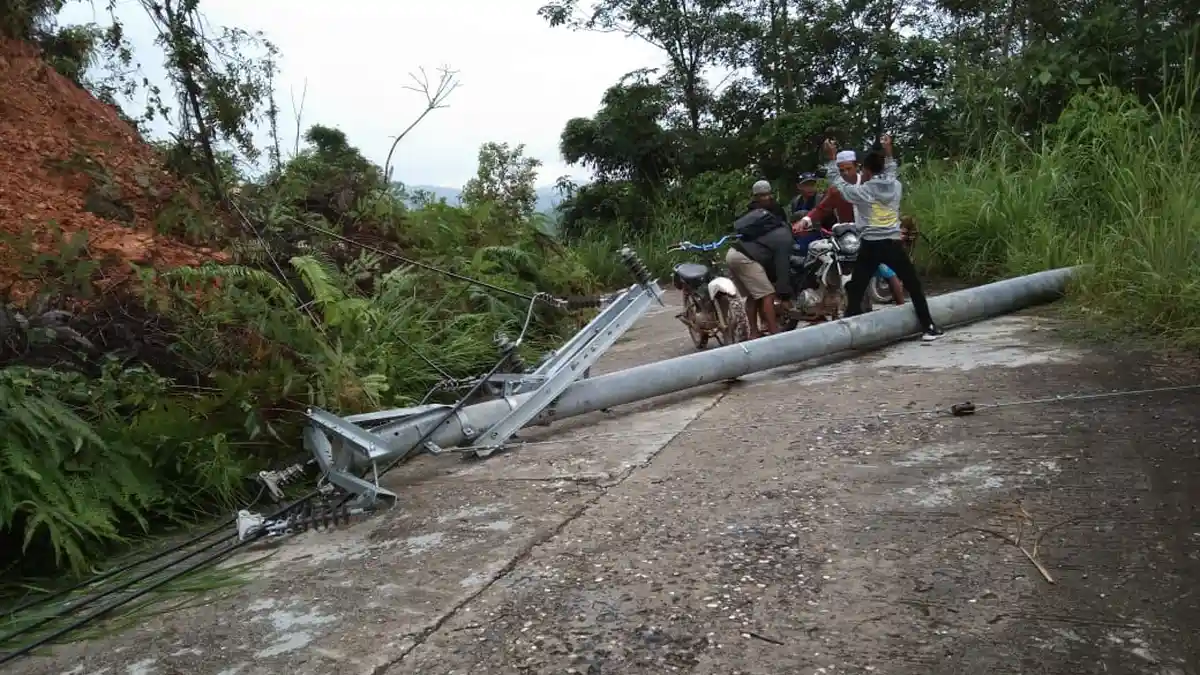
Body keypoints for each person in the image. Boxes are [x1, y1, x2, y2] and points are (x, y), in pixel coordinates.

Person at [820, 135, 944, 341]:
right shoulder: (896, 187)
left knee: (857, 288)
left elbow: (838, 183)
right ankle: (929, 327)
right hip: (893, 244)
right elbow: (891, 170)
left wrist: (832, 158)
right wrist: (889, 150)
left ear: (867, 171)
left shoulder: (861, 192)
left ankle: (848, 332)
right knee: (913, 285)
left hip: (870, 245)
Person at [794, 151, 906, 307]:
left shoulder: (870, 183)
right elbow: (822, 208)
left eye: (848, 169)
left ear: (857, 167)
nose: (845, 173)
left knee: (887, 271)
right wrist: (805, 220)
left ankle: (904, 309)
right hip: (847, 238)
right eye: (841, 170)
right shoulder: (836, 190)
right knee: (821, 256)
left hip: (871, 235)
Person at [726, 180, 794, 338]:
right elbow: (782, 265)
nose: (766, 198)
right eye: (762, 195)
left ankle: (754, 332)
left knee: (754, 295)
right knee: (767, 294)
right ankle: (774, 333)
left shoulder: (771, 223)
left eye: (767, 194)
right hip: (745, 257)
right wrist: (784, 294)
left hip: (734, 252)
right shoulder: (784, 238)